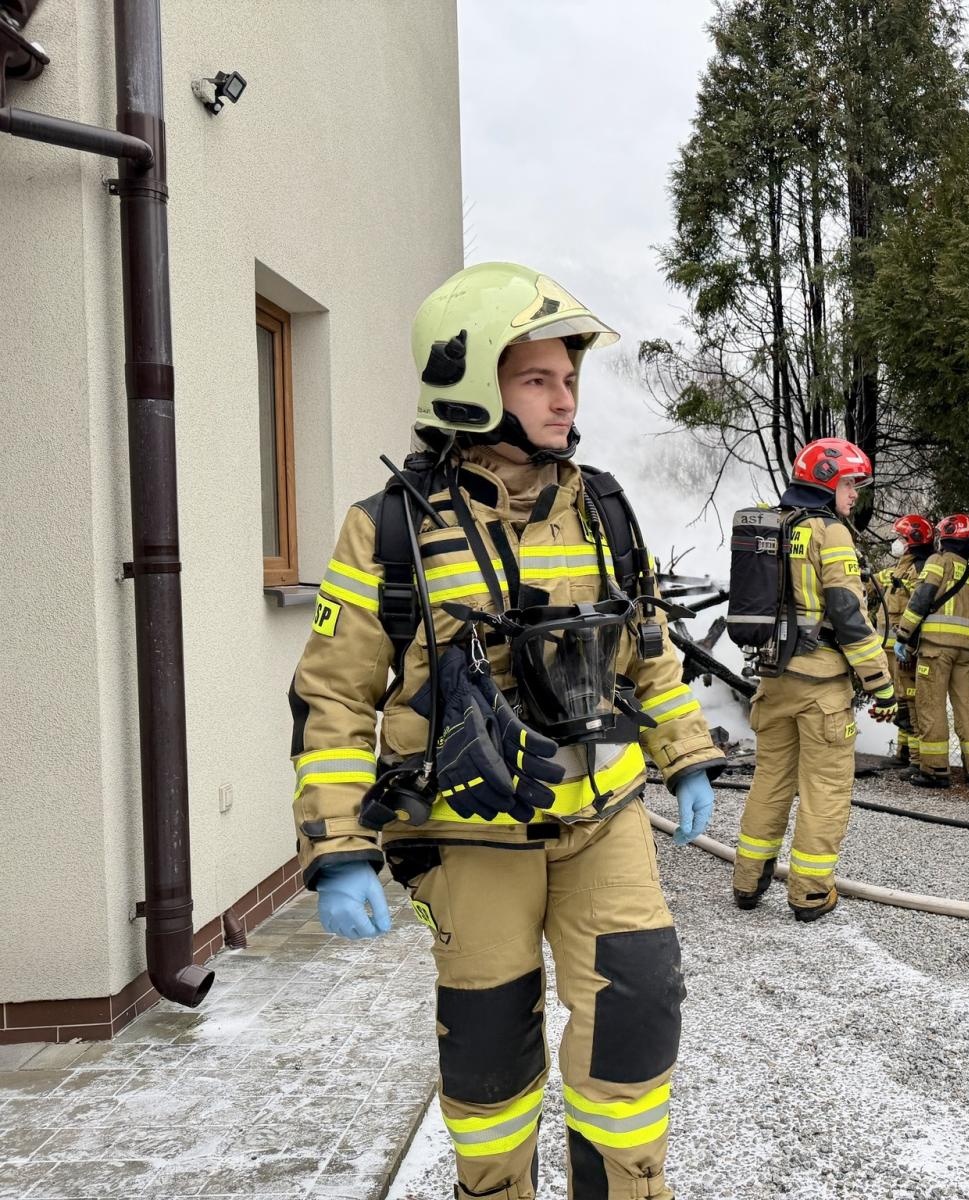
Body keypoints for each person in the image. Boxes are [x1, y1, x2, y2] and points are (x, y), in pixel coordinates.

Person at [289, 262, 724, 1200]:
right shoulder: (387, 532)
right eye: (538, 379)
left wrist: (687, 756)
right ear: (469, 383)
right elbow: (333, 698)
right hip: (465, 835)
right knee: (489, 1051)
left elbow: (647, 650)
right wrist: (341, 849)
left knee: (640, 1008)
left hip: (603, 820)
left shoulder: (603, 506)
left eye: (568, 380)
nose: (565, 399)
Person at [730, 438, 898, 921]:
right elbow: (848, 613)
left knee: (770, 781)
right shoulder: (830, 532)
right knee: (825, 788)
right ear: (826, 482)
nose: (854, 495)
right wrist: (880, 682)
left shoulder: (775, 525)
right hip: (821, 685)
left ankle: (746, 883)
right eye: (849, 484)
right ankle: (809, 894)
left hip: (772, 681)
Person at [894, 513, 969, 788]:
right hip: (966, 653)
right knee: (967, 708)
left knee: (930, 706)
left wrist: (903, 635)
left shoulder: (938, 562)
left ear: (944, 537)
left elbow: (921, 598)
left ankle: (935, 770)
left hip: (936, 649)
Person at [872, 514, 936, 768]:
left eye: (901, 537)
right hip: (888, 649)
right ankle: (903, 753)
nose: (896, 542)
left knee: (910, 702)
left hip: (903, 649)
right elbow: (872, 581)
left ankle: (915, 761)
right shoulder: (899, 568)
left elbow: (920, 607)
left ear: (913, 540)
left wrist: (908, 643)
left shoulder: (919, 569)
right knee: (901, 700)